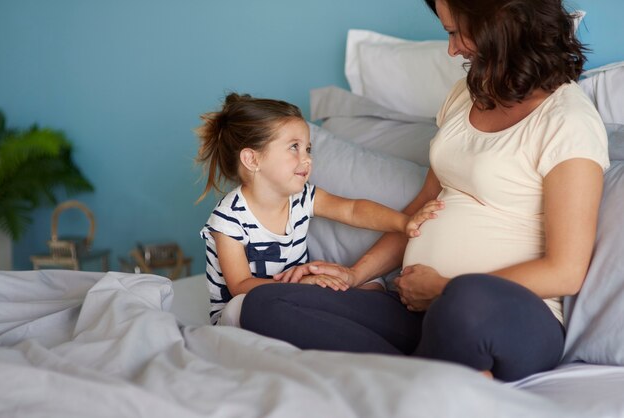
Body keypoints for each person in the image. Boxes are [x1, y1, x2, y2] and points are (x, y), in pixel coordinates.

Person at [239, 0, 610, 382]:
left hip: (506, 317)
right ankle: (427, 374)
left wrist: (445, 289)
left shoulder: (568, 120)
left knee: (467, 300)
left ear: (499, 21)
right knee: (266, 303)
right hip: (419, 310)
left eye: (454, 32)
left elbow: (566, 270)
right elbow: (422, 208)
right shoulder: (468, 93)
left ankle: (427, 372)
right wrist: (353, 274)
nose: (452, 50)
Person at [195, 93, 443, 326]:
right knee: (240, 307)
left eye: (308, 149)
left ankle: (352, 316)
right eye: (294, 147)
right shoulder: (228, 219)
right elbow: (240, 285)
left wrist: (403, 222)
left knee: (371, 282)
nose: (308, 159)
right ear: (252, 160)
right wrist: (305, 287)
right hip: (245, 307)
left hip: (296, 295)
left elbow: (353, 210)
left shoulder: (302, 198)